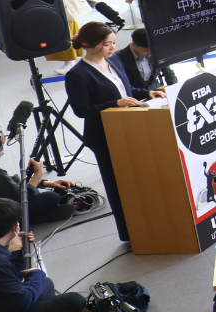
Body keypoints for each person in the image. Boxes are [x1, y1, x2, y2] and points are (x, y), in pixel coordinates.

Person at [63, 22, 165, 243]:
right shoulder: (77, 74)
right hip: (105, 135)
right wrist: (114, 104)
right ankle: (130, 233)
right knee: (118, 184)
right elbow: (81, 110)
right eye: (107, 44)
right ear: (88, 44)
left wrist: (147, 92)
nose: (112, 48)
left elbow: (125, 90)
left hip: (129, 128)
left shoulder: (114, 60)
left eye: (113, 43)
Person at [0, 123, 77, 224]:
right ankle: (30, 219)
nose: (4, 144)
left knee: (51, 197)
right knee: (52, 197)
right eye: (3, 141)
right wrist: (38, 173)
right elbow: (23, 198)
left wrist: (45, 183)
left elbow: (8, 181)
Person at [111, 28, 178, 92]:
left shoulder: (157, 52)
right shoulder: (118, 58)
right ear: (133, 44)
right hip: (136, 95)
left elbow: (168, 73)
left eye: (152, 50)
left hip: (157, 90)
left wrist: (175, 88)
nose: (150, 53)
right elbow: (122, 84)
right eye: (146, 51)